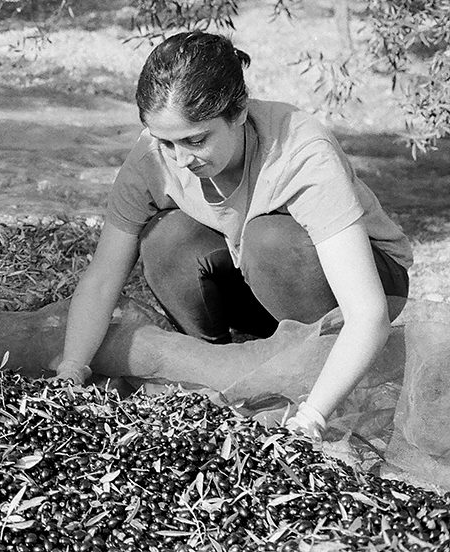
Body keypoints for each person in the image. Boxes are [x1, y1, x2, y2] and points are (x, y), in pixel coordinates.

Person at [56, 31, 410, 440]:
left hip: (363, 287)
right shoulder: (153, 159)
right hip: (256, 279)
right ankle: (224, 370)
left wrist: (311, 418)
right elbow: (101, 281)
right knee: (166, 238)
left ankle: (314, 375)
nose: (181, 159)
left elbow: (368, 315)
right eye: (166, 142)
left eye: (196, 140)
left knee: (268, 240)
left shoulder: (302, 152)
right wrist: (71, 371)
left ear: (239, 111)